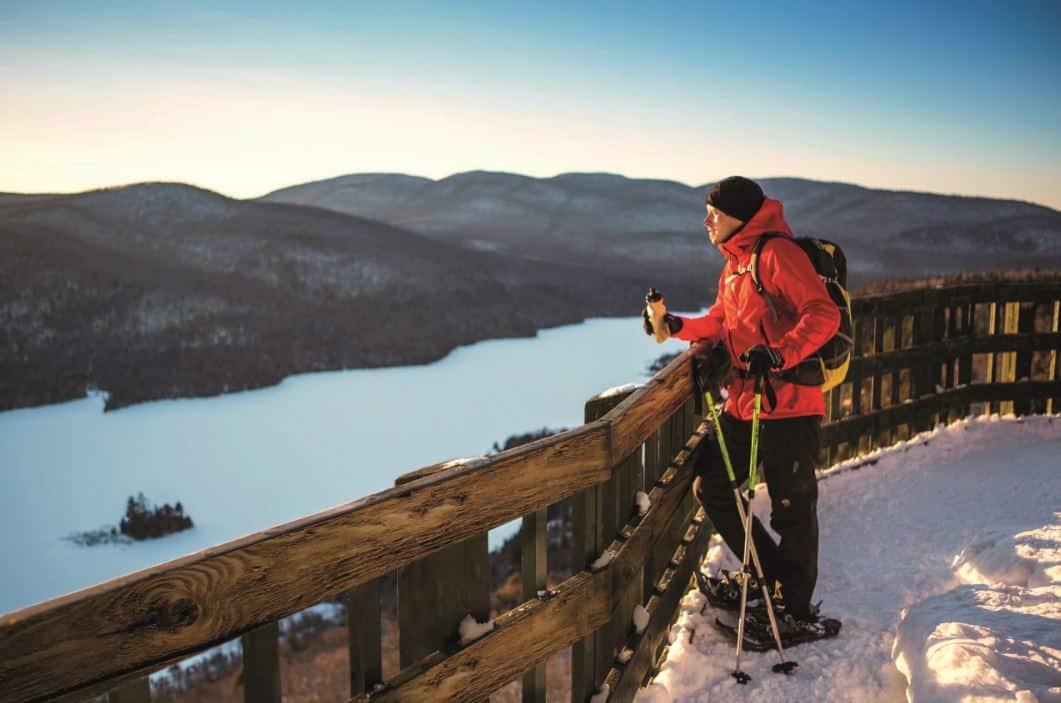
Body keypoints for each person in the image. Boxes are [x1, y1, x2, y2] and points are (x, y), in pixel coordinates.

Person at [643, 176, 840, 638]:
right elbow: (720, 322)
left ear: (740, 217)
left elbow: (823, 313)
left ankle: (794, 610)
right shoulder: (736, 265)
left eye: (714, 213)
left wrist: (781, 353)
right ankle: (772, 579)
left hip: (790, 405)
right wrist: (674, 326)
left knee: (791, 508)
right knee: (713, 487)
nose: (706, 221)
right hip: (746, 404)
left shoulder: (775, 254)